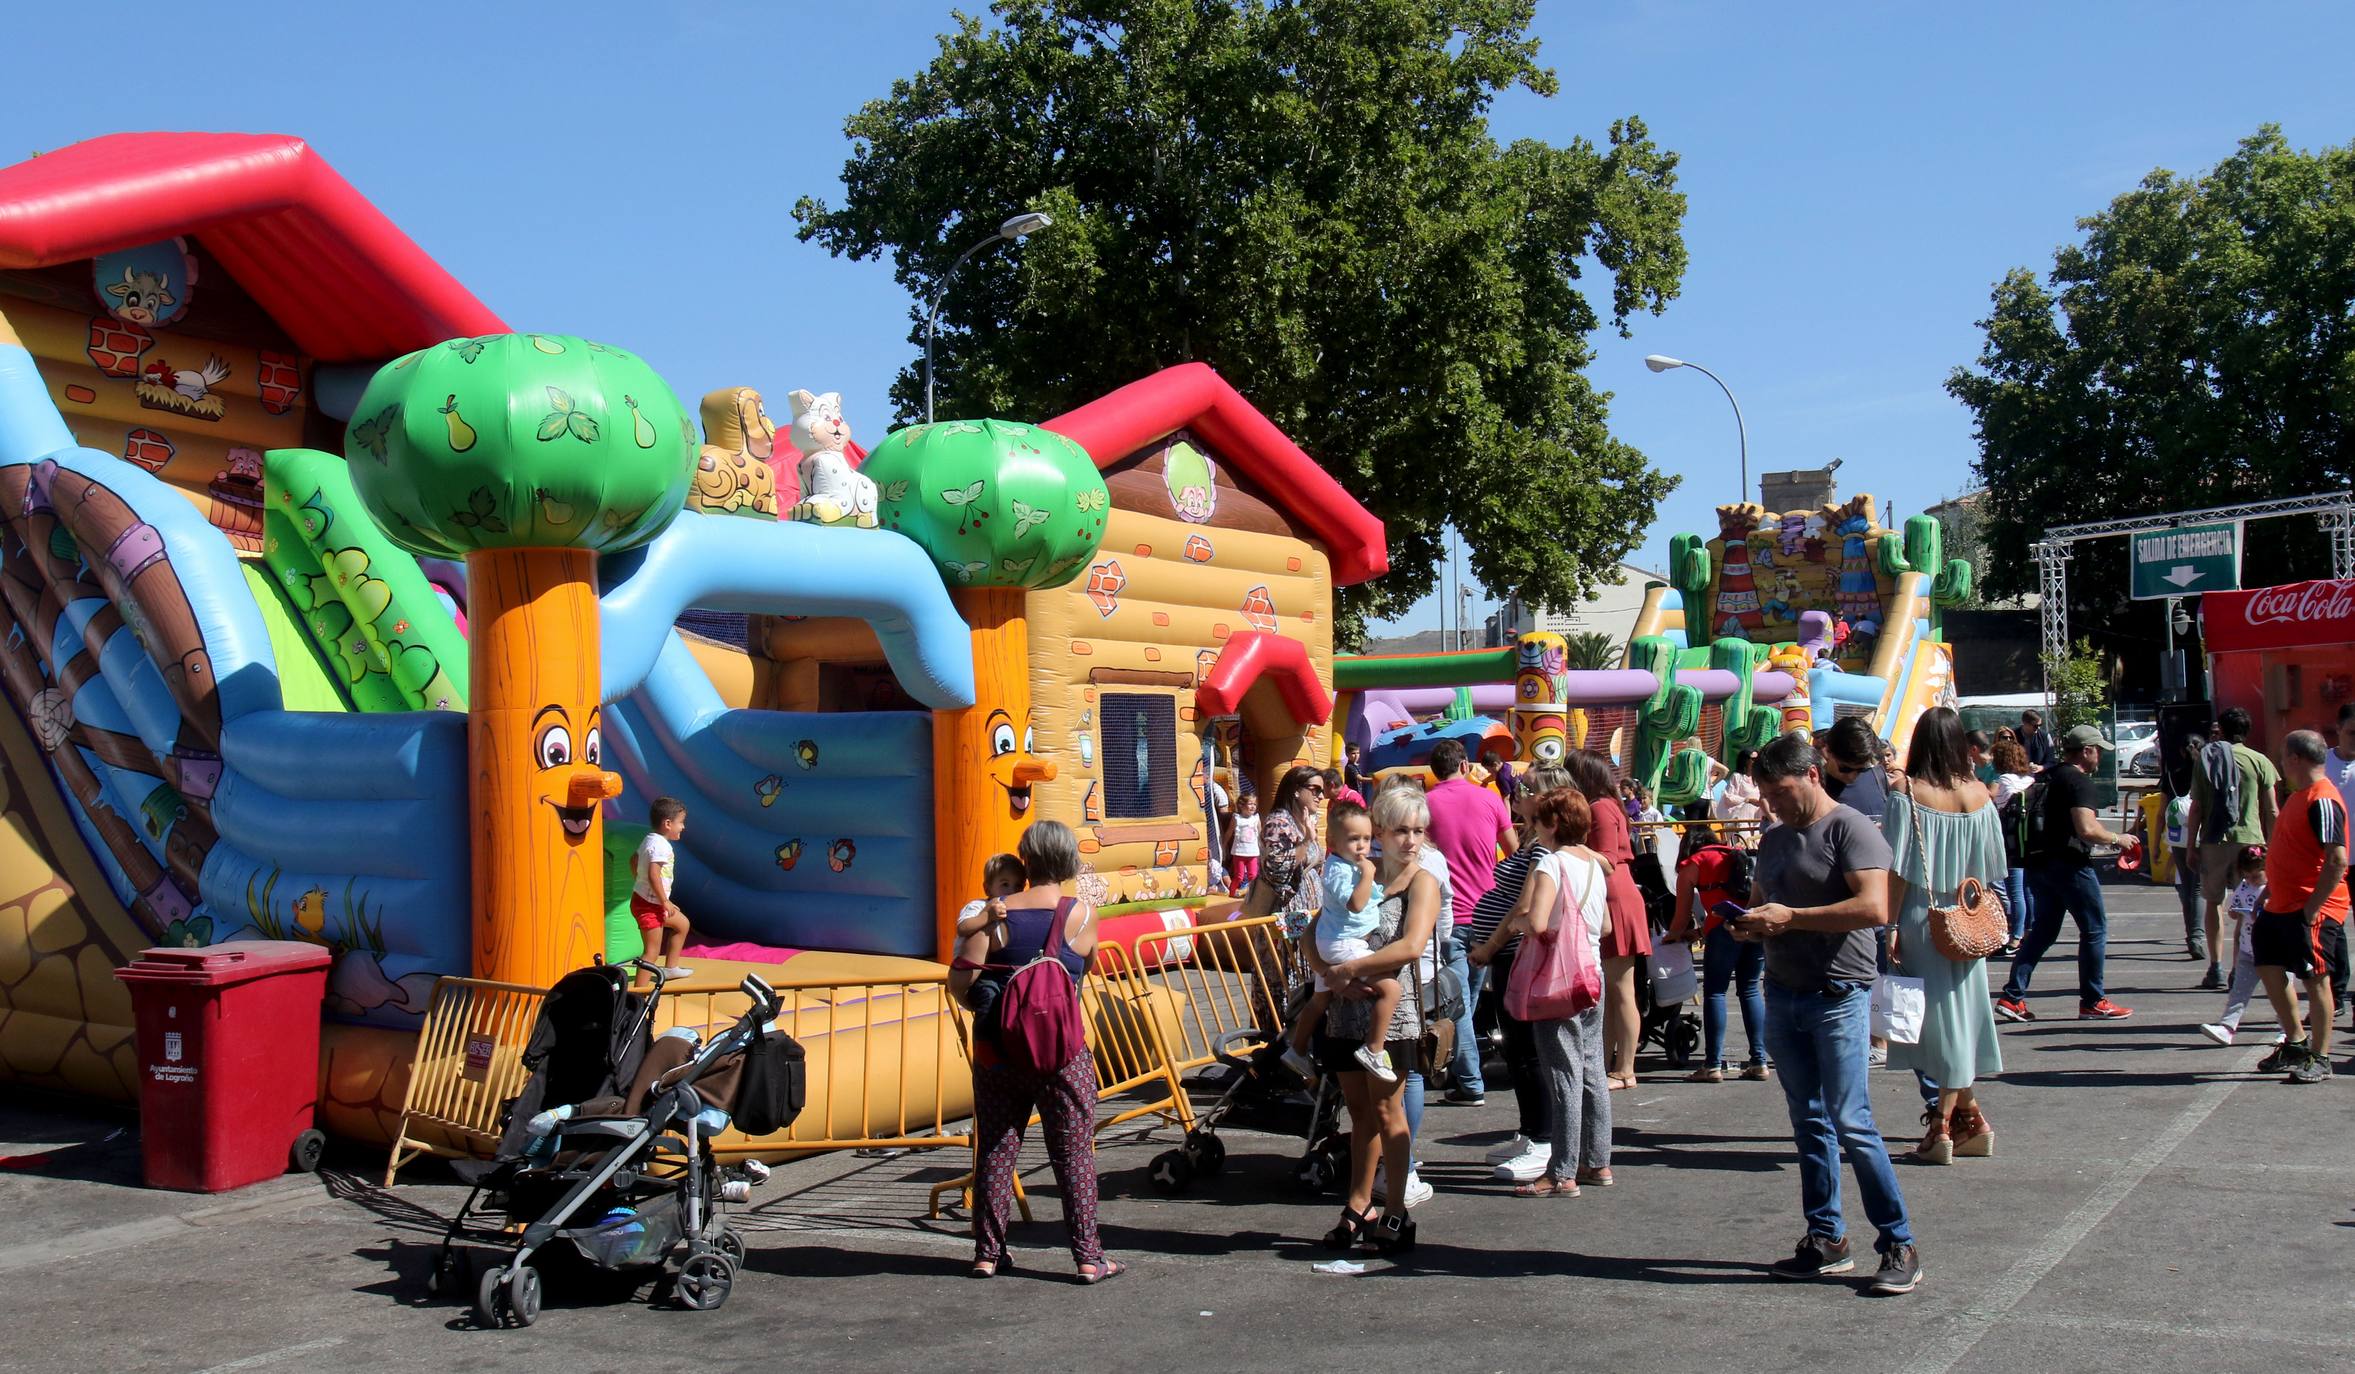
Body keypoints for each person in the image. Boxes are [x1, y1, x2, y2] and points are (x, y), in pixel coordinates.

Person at [1737, 731, 1922, 1294]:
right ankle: (1826, 1238)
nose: (1774, 804)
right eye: (1767, 793)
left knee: (1851, 1122)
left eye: (1783, 790)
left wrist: (1788, 917)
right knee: (1808, 1122)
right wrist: (1742, 922)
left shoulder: (1850, 828)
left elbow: (1875, 906)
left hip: (1837, 994)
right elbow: (1758, 905)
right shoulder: (1774, 839)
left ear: (1812, 775)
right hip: (1785, 991)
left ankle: (1898, 1240)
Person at [948, 820, 1122, 1282]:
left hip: (997, 1049)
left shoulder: (997, 914)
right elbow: (1085, 967)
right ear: (1067, 861)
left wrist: (993, 1009)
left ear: (1026, 858)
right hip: (1061, 1052)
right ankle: (1088, 1257)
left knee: (996, 1150)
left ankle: (987, 1253)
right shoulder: (1081, 914)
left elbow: (959, 980)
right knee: (1074, 1152)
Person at [1308, 786, 1441, 1256]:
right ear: (1378, 831)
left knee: (1389, 1113)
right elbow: (1312, 930)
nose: (1411, 840)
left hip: (1391, 1017)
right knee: (1358, 1114)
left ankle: (1397, 1209)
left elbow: (1410, 947)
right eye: (1402, 829)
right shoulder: (1353, 871)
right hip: (1345, 1013)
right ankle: (1358, 1204)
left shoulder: (1423, 881)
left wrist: (1348, 970)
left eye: (1419, 830)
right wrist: (1328, 974)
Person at [1883, 707, 2006, 1164]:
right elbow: (1992, 868)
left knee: (1933, 1026)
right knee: (1957, 1017)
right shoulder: (1979, 795)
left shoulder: (1907, 794)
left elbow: (1896, 871)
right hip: (1965, 916)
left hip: (1920, 914)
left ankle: (1941, 1126)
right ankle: (1970, 1117)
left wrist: (1889, 925)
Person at [1481, 786, 1613, 1197]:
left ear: (1552, 824)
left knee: (1562, 1072)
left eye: (1536, 820)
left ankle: (1561, 1171)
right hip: (1591, 972)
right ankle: (1598, 1161)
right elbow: (1605, 926)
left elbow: (1535, 922)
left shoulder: (1551, 864)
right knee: (1592, 1068)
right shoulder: (1593, 864)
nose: (1530, 827)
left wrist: (1515, 929)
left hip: (1558, 978)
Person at [1463, 763, 1573, 1183]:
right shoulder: (1531, 841)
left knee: (1528, 1051)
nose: (1517, 792)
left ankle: (1543, 1139)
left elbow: (1525, 906)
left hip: (1517, 952)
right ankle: (1531, 1132)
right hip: (1507, 953)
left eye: (1526, 789)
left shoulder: (1544, 848)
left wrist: (1490, 945)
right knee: (1517, 1048)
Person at [1995, 725, 2141, 1022]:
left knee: (2044, 931)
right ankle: (2092, 1000)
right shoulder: (2078, 782)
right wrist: (2118, 839)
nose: (2100, 756)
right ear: (2086, 751)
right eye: (2098, 750)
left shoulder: (2045, 776)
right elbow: (2086, 829)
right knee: (2094, 929)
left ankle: (2012, 997)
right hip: (2069, 864)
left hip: (2038, 864)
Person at [2252, 730, 2349, 1085]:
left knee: (2316, 980)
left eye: (2283, 754)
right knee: (2267, 964)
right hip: (2281, 904)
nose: (2280, 761)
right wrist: (2270, 890)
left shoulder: (2322, 799)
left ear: (2295, 758)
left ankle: (2320, 1057)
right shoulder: (2298, 796)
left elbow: (2336, 859)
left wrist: (2312, 909)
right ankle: (2295, 1043)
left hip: (2311, 909)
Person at [1423, 739, 1516, 1106]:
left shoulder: (1426, 805)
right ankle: (1461, 1068)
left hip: (1448, 915)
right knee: (1465, 999)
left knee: (1458, 1002)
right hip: (1488, 914)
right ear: (1463, 765)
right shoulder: (1490, 798)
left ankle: (1469, 1080)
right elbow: (1513, 849)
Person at [1284, 802, 1400, 1082]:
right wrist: (1369, 874)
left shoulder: (1349, 866)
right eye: (1353, 839)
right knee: (1391, 989)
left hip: (1336, 941)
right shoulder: (1339, 869)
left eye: (1366, 838)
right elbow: (1357, 904)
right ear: (1333, 842)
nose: (1361, 846)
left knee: (1320, 998)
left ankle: (1296, 1050)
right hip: (1344, 943)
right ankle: (1374, 1048)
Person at [1568, 749, 1651, 1090]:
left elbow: (1606, 859)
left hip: (1614, 897)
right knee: (1613, 991)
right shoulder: (1607, 805)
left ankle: (1626, 1067)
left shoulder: (1600, 808)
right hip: (1614, 894)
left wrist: (1569, 849)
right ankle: (1608, 1065)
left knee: (1621, 990)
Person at [2188, 707, 2281, 983]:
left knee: (2213, 901)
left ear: (2223, 731)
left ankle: (2215, 966)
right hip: (2250, 842)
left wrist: (2192, 844)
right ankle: (2238, 968)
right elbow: (2272, 809)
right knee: (2246, 908)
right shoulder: (2260, 761)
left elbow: (2196, 807)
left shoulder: (2206, 760)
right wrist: (2274, 846)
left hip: (2214, 840)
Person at [1671, 830, 1770, 1083]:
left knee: (1715, 992)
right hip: (1752, 925)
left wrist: (1670, 937)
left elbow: (1680, 916)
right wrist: (1700, 932)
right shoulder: (1734, 854)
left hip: (1723, 931)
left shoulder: (1692, 864)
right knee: (1749, 990)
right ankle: (1759, 1061)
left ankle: (1712, 1064)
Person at [2196, 844, 2283, 1049]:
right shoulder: (2243, 886)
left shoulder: (2275, 888)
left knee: (2279, 993)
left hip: (2275, 950)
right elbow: (2233, 911)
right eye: (2247, 876)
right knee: (2238, 992)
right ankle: (2227, 1027)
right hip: (2248, 948)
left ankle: (2287, 1030)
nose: (2251, 880)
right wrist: (2236, 911)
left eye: (2256, 876)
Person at [1250, 766, 1328, 938]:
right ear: (1296, 790)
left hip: (1306, 914)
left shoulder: (1303, 823)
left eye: (1322, 791)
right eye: (1315, 790)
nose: (1321, 796)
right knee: (1289, 963)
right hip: (1285, 915)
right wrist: (1307, 840)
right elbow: (1277, 871)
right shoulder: (1278, 824)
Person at [630, 797, 694, 990]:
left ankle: (671, 968)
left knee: (682, 924)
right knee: (651, 951)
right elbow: (653, 874)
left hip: (649, 901)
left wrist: (638, 881)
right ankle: (639, 992)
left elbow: (633, 860)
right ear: (668, 823)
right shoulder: (660, 845)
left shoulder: (650, 839)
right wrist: (664, 901)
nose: (682, 827)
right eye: (680, 822)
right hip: (650, 905)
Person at [1988, 740, 2037, 956]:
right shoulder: (2029, 779)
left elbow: (1997, 807)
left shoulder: (2004, 780)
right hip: (2029, 839)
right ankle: (2029, 931)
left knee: (2014, 891)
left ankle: (2014, 937)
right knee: (2027, 890)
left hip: (2010, 840)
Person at [953, 852, 1028, 940]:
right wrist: (987, 916)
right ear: (987, 889)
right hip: (969, 952)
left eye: (1018, 886)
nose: (1012, 891)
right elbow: (962, 928)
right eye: (1005, 884)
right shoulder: (979, 906)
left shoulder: (1018, 909)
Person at [1228, 791, 1263, 897]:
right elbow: (1229, 832)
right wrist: (1224, 845)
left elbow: (1260, 833)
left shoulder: (1256, 818)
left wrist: (1263, 847)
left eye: (1255, 804)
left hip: (1252, 853)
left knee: (1253, 875)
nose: (1253, 807)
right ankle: (1232, 892)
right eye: (1250, 804)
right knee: (1239, 876)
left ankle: (1254, 894)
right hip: (1239, 852)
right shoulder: (1237, 818)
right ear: (1241, 805)